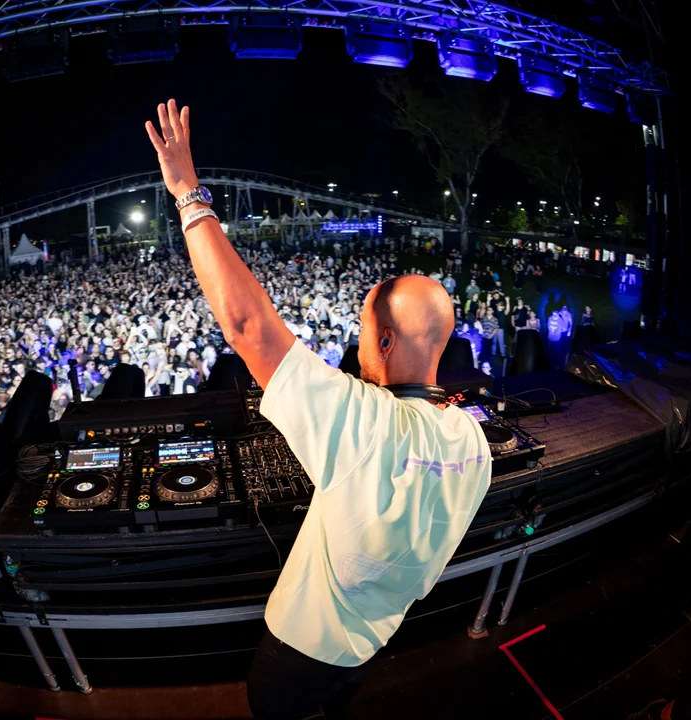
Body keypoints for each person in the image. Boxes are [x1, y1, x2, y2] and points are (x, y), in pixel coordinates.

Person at [145, 99, 492, 720]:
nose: (358, 344)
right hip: (378, 639)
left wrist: (187, 194)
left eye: (364, 331)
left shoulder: (364, 420)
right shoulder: (474, 442)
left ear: (385, 341)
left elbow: (248, 327)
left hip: (301, 652)